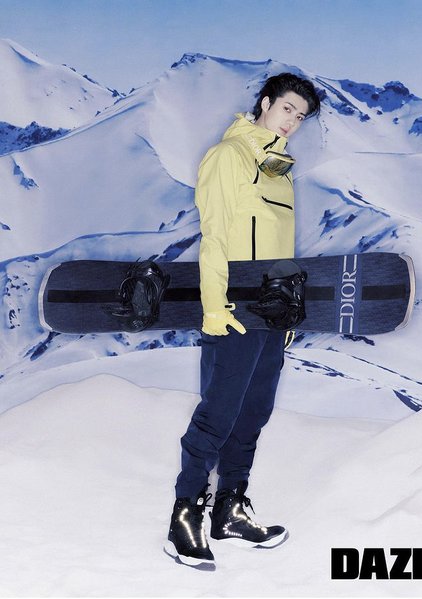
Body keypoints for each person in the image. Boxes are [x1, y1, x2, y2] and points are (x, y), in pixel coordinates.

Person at [165, 73, 320, 568]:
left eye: (301, 117)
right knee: (218, 415)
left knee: (253, 413)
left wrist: (287, 309)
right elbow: (214, 236)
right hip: (232, 309)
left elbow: (281, 248)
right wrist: (214, 307)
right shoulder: (228, 156)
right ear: (265, 103)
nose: (292, 121)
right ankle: (184, 517)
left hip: (270, 312)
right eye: (287, 109)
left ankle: (230, 509)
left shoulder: (278, 169)